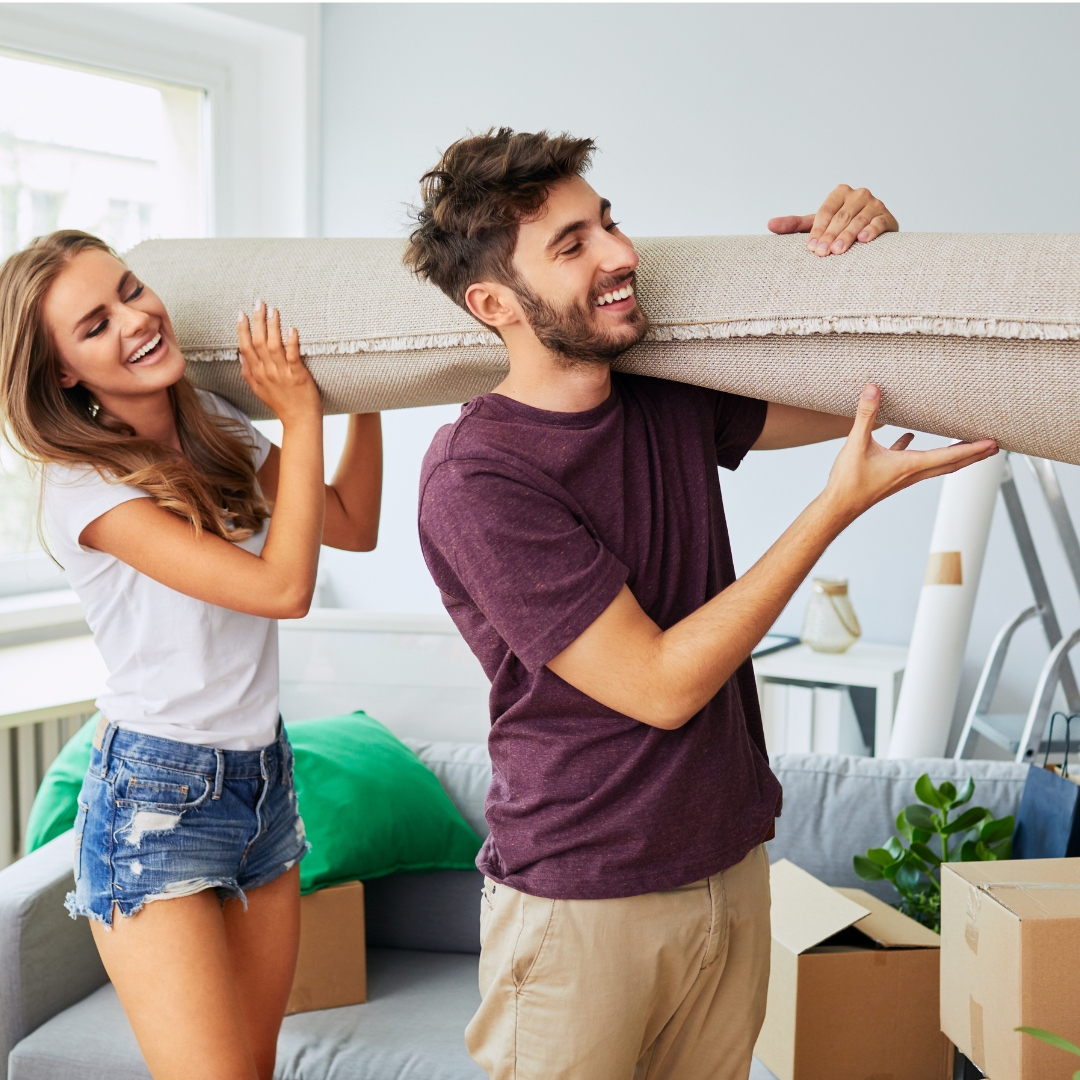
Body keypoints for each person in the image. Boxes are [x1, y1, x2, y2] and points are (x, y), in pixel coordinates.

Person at [406, 129, 996, 1080]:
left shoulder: (667, 397)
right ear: (492, 304)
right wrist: (833, 509)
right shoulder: (478, 479)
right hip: (583, 905)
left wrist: (878, 259)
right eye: (572, 245)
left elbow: (886, 400)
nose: (620, 253)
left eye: (609, 223)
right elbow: (660, 684)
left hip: (730, 870)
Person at [0, 231, 382, 1080]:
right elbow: (286, 589)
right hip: (153, 804)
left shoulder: (214, 430)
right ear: (65, 372)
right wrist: (300, 414)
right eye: (96, 324)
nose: (136, 319)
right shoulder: (87, 490)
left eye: (131, 290)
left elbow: (353, 521)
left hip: (261, 787)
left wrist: (362, 388)